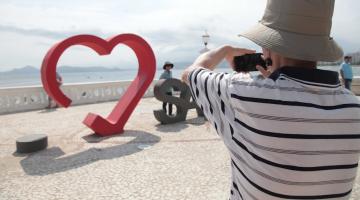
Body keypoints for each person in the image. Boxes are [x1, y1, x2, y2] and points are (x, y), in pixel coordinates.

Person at [182, 0, 360, 199]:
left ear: (267, 48)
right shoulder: (353, 108)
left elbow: (190, 73)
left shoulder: (241, 91)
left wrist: (224, 50)